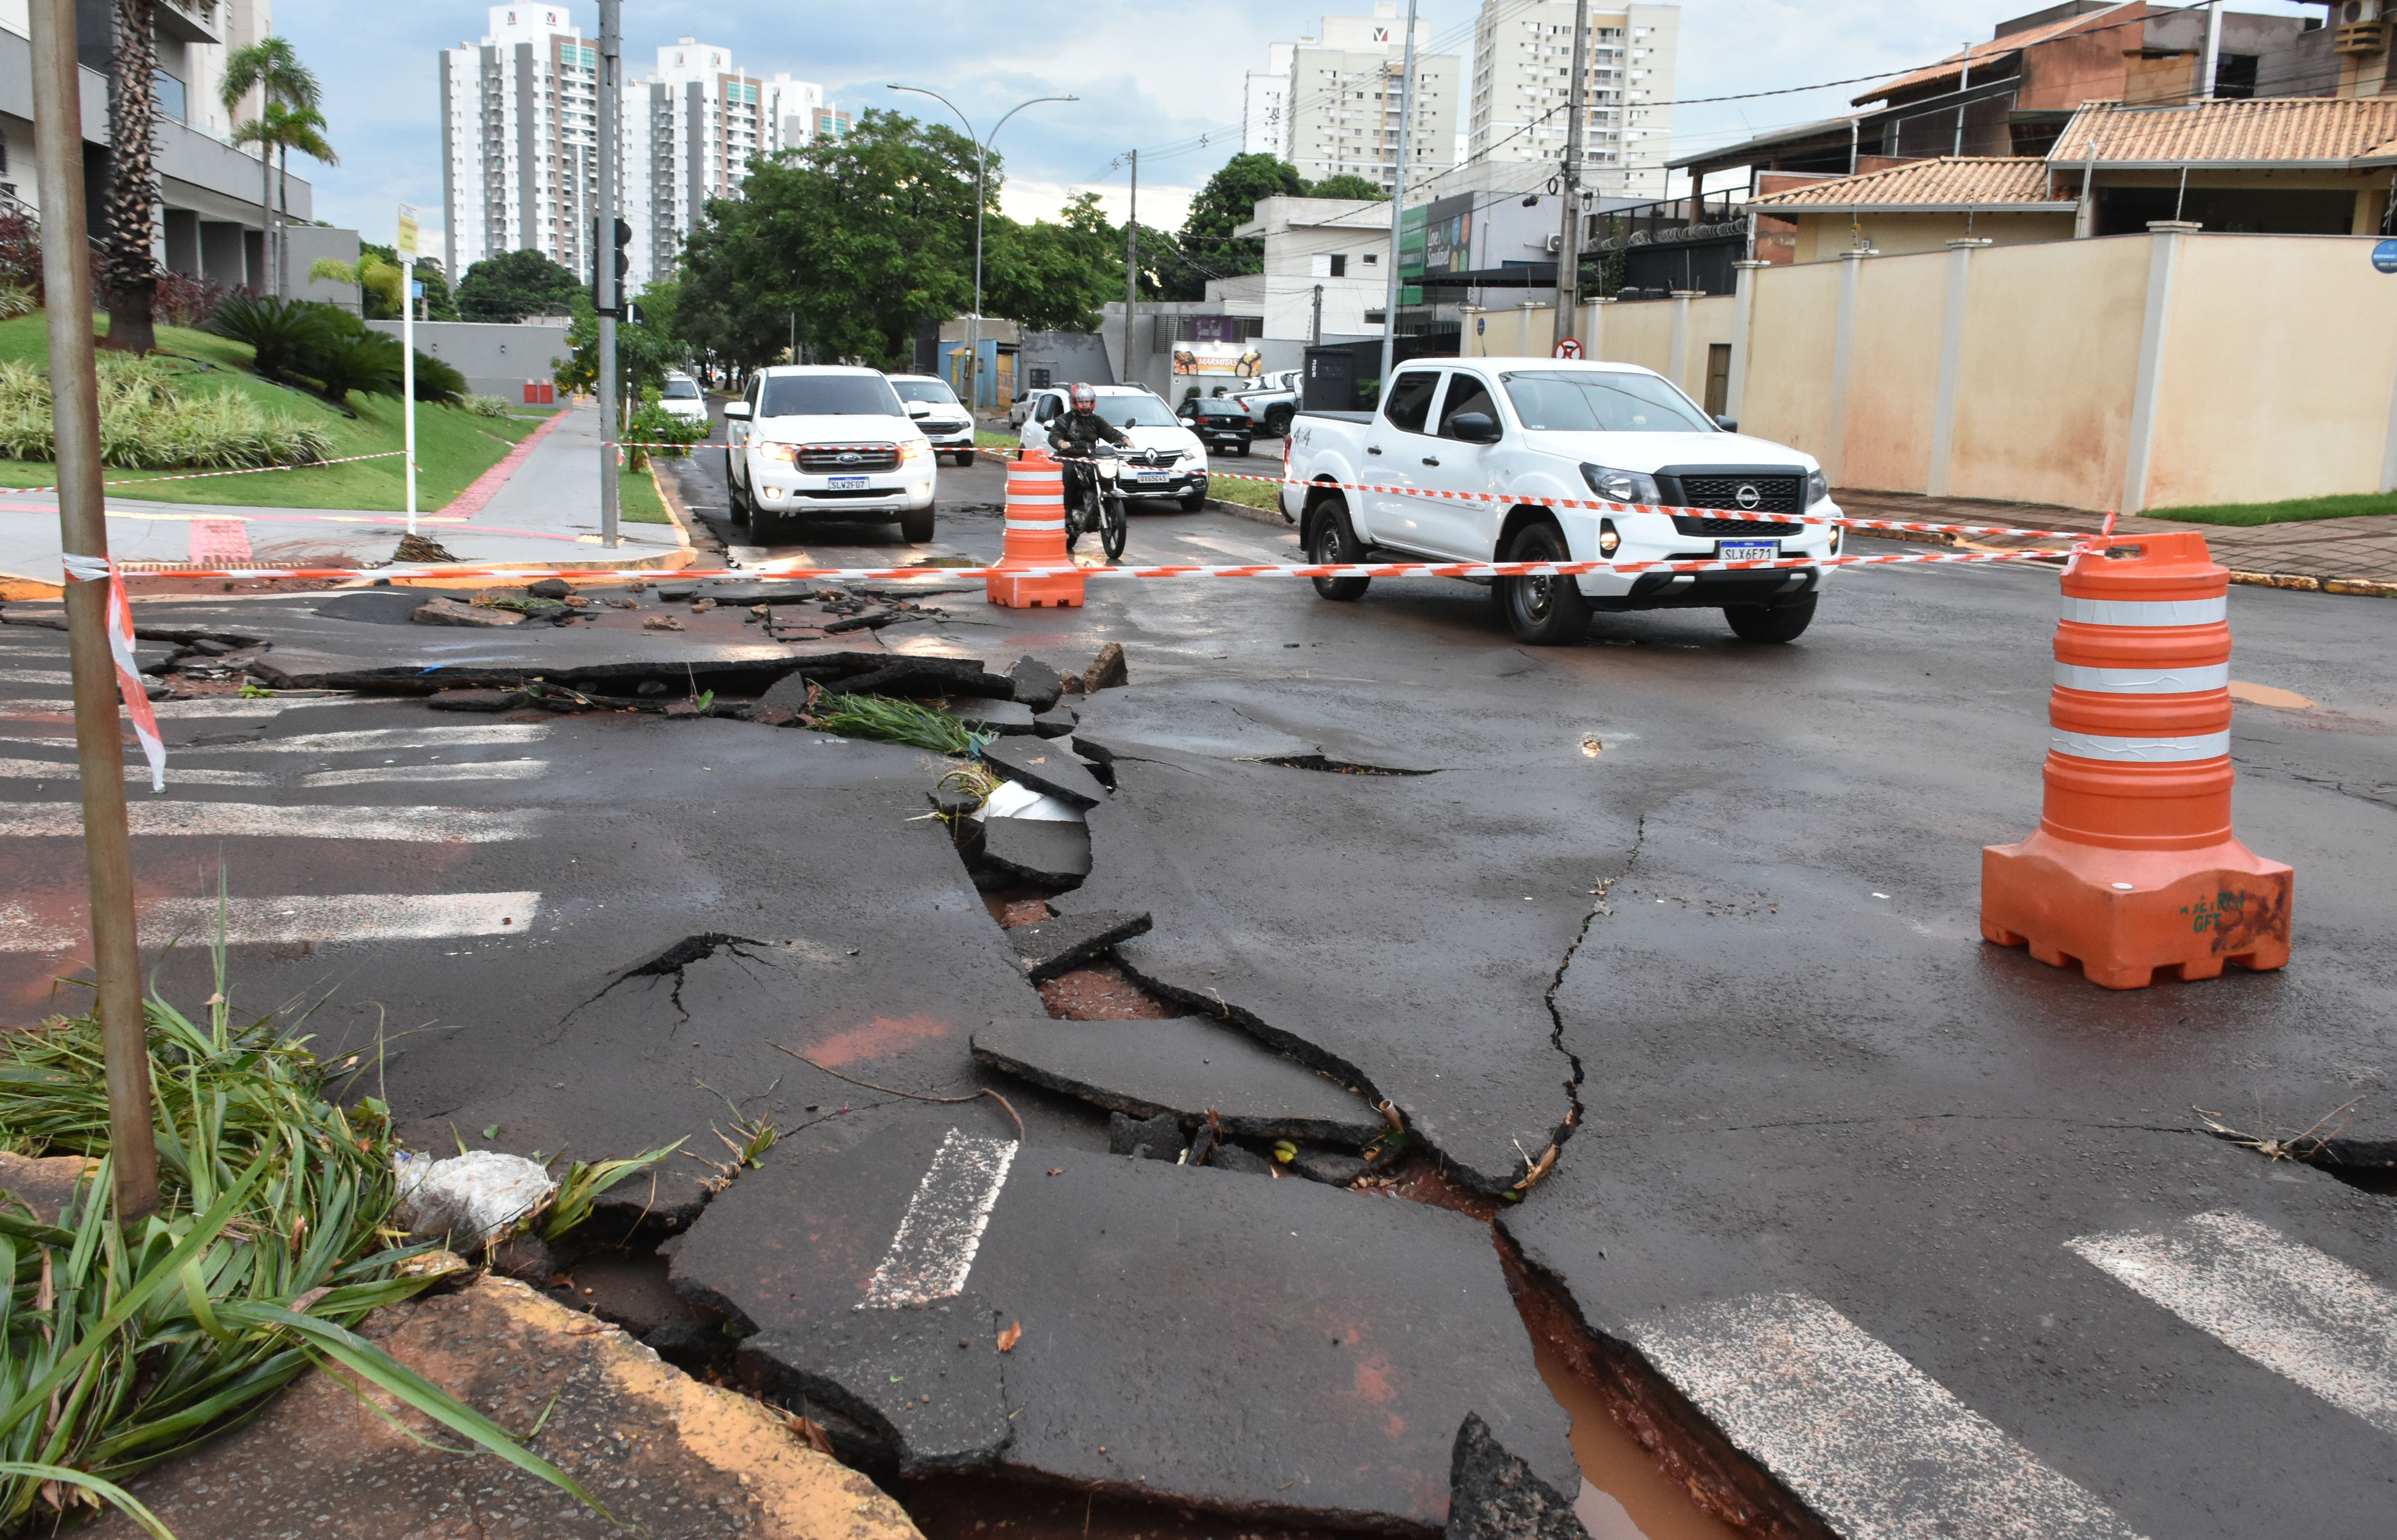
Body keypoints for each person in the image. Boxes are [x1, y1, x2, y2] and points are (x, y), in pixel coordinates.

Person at [1047, 381, 1132, 522]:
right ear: (1075, 402)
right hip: (1070, 457)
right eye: (1082, 402)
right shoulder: (1066, 420)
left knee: (1108, 473)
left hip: (1090, 457)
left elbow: (1109, 432)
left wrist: (1124, 439)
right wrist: (1062, 443)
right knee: (1069, 473)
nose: (1085, 405)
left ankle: (1106, 504)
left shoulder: (1096, 420)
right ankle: (1067, 513)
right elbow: (1054, 436)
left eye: (1087, 401)